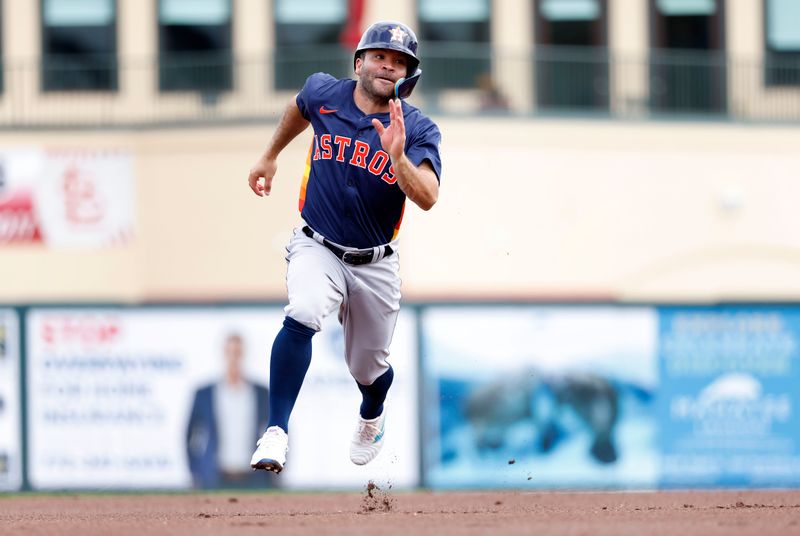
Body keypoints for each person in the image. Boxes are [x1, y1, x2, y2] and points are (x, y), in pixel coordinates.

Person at [247, 20, 442, 474]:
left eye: (399, 63)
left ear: (408, 77)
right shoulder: (324, 93)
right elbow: (299, 108)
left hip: (375, 262)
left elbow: (429, 197)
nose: (387, 67)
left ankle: (372, 412)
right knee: (304, 310)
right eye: (379, 57)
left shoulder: (416, 128)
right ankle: (276, 430)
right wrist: (270, 154)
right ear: (359, 62)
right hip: (318, 244)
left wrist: (396, 157)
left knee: (368, 369)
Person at [186, 332, 274, 488]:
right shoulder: (204, 394)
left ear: (244, 355)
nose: (234, 358)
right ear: (224, 354)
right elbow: (189, 434)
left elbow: (277, 429)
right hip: (215, 477)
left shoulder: (260, 393)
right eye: (230, 352)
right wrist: (195, 470)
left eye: (238, 353)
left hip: (255, 478)